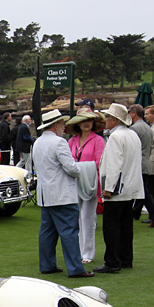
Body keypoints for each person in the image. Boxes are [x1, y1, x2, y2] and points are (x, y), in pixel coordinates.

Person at [32, 110, 93, 278]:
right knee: (69, 232)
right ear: (56, 125)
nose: (64, 128)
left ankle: (47, 264)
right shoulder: (59, 142)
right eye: (62, 125)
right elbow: (71, 168)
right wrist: (84, 169)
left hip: (46, 194)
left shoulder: (37, 143)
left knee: (47, 232)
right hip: (62, 194)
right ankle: (75, 268)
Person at [96, 104, 143, 274]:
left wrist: (109, 188)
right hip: (130, 188)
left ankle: (112, 261)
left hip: (117, 189)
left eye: (107, 117)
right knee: (125, 226)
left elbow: (115, 164)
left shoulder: (116, 137)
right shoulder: (132, 135)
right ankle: (125, 258)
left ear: (114, 119)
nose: (105, 120)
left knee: (111, 226)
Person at [65, 106, 106, 264]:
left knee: (88, 218)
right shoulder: (72, 141)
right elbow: (67, 160)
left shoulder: (98, 140)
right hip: (74, 183)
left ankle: (87, 253)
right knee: (75, 218)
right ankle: (76, 250)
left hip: (90, 184)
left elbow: (99, 162)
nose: (86, 123)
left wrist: (79, 168)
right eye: (83, 121)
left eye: (89, 120)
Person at [128, 105, 154, 227]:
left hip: (138, 163)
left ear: (134, 113)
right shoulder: (148, 127)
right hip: (146, 161)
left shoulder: (134, 129)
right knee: (142, 191)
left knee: (143, 192)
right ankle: (136, 213)